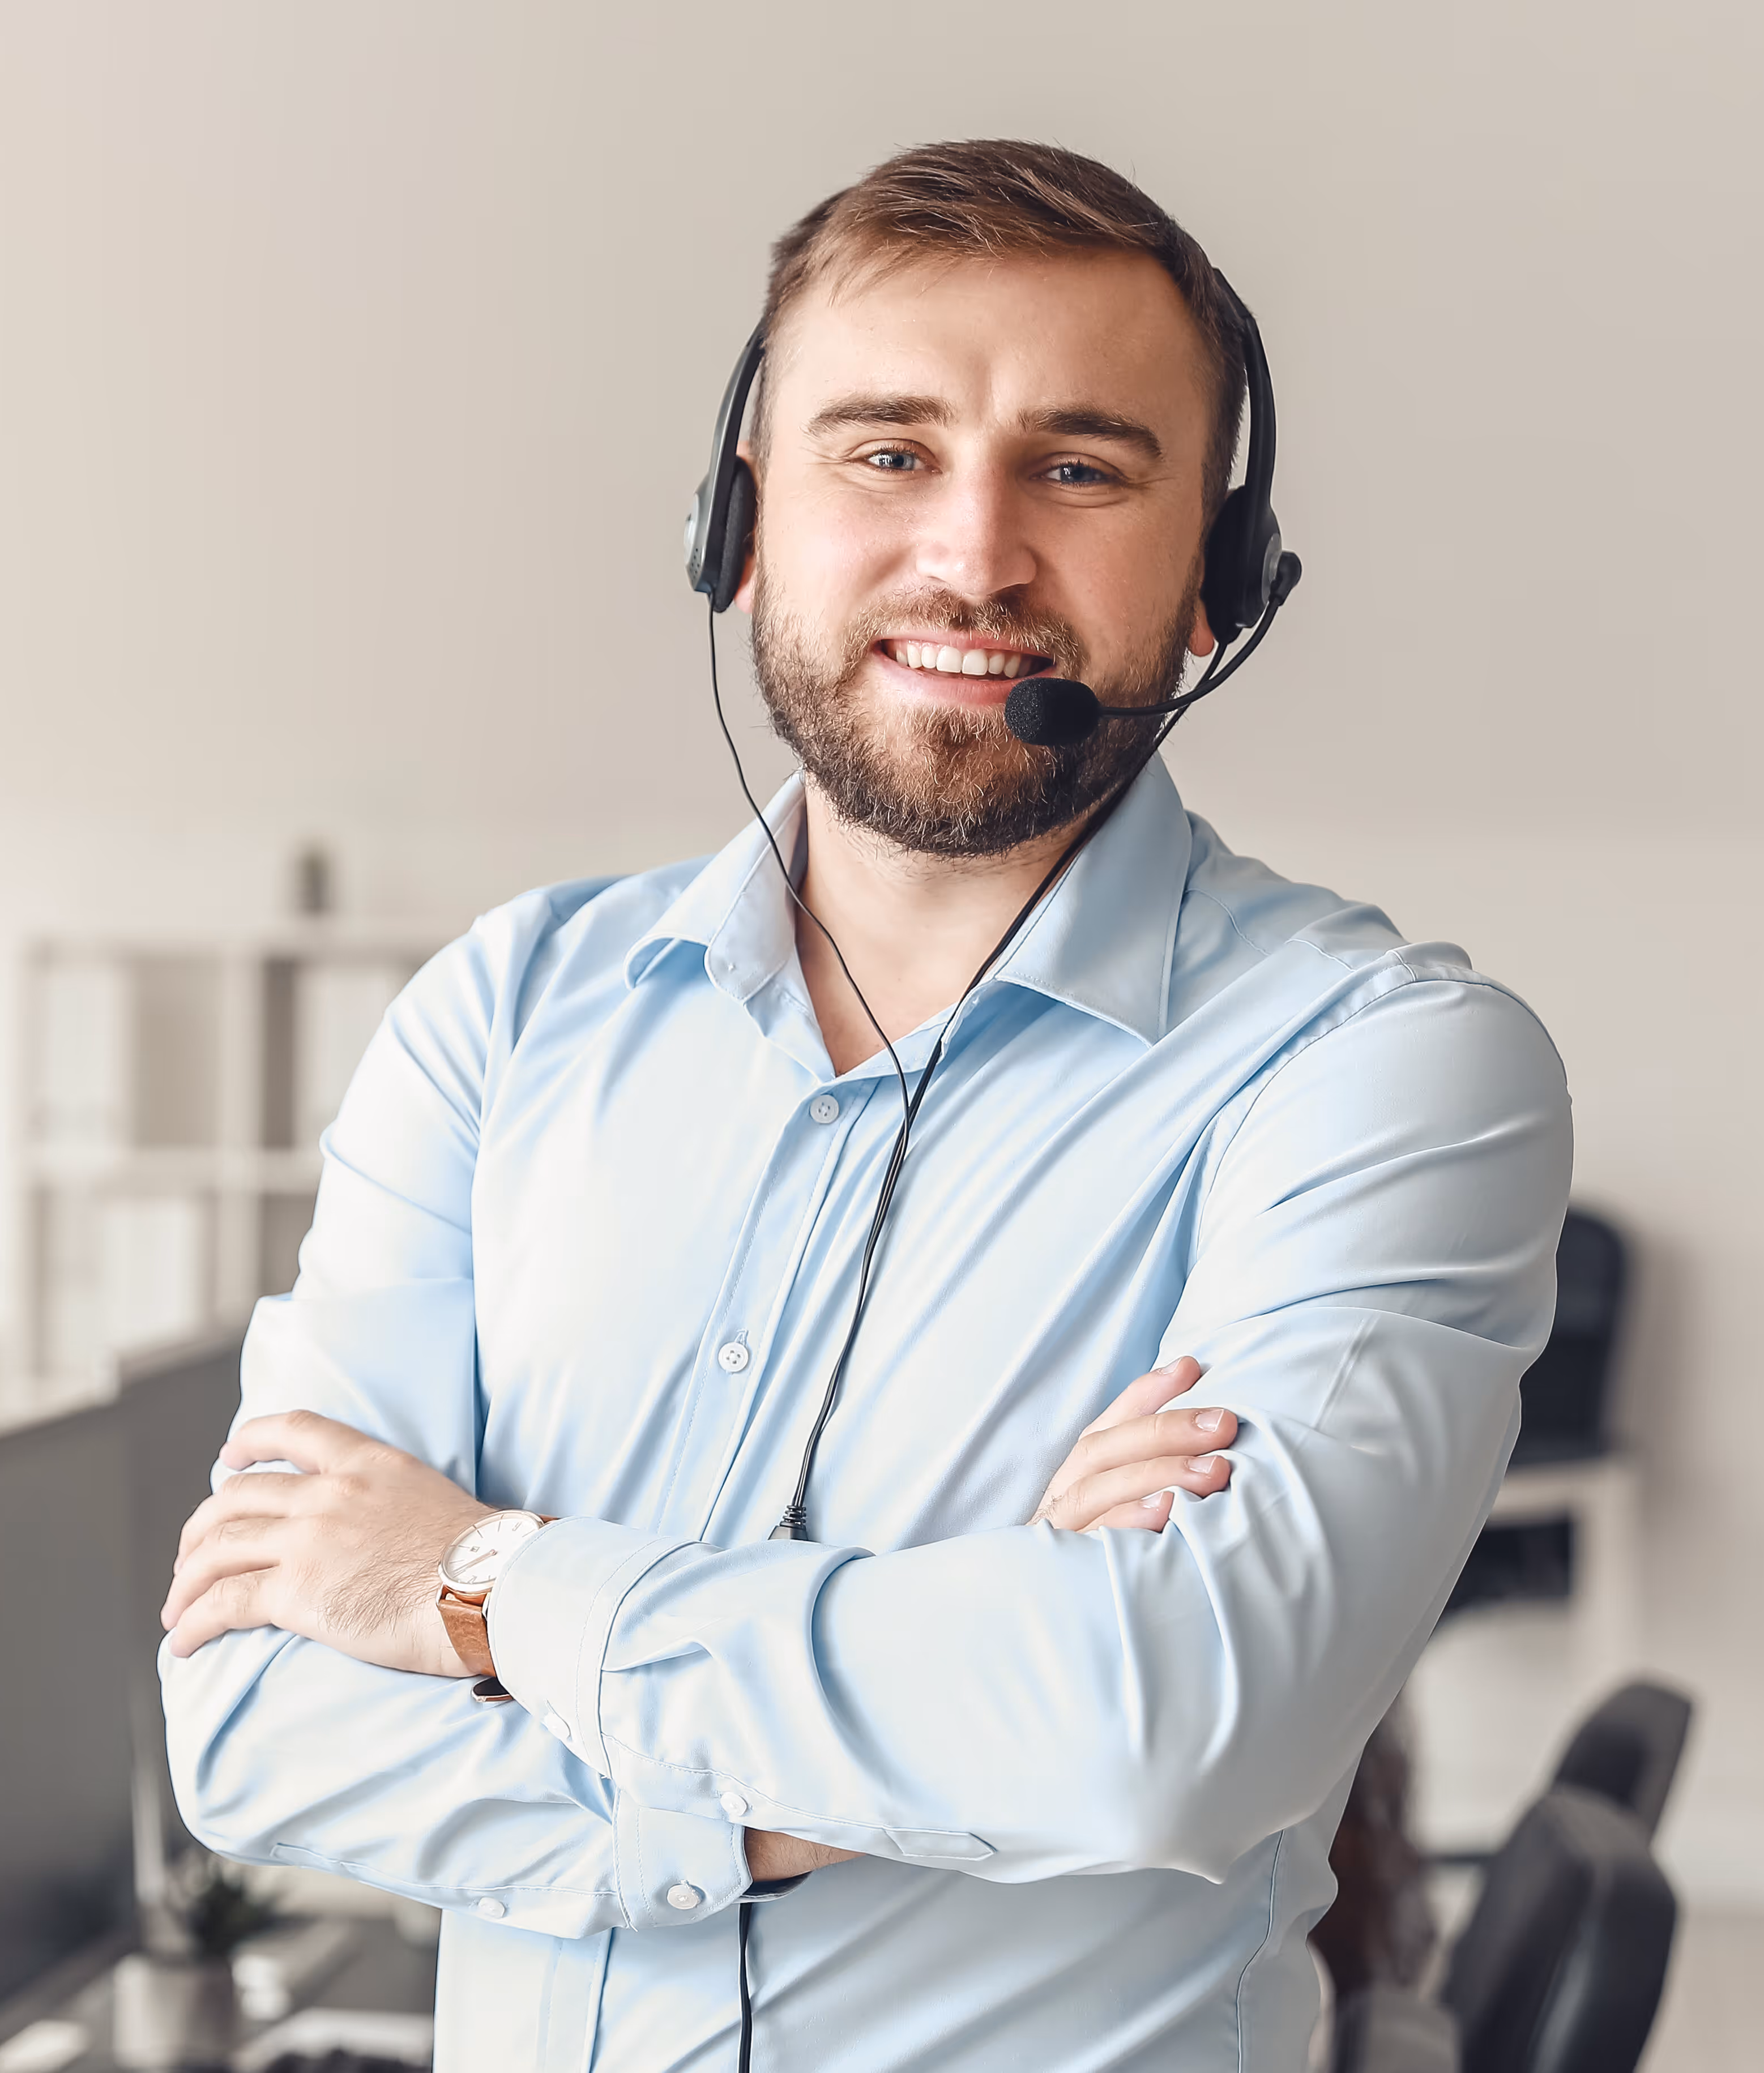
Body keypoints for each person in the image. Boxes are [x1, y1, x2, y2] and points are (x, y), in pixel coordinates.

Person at [156, 139, 1570, 2071]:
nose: (972, 554)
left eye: (1079, 468)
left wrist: (473, 1580)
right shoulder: (503, 1017)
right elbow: (251, 1720)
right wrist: (925, 1722)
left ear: (1220, 579)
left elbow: (1164, 1726)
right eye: (885, 451)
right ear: (739, 521)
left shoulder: (1379, 1068)